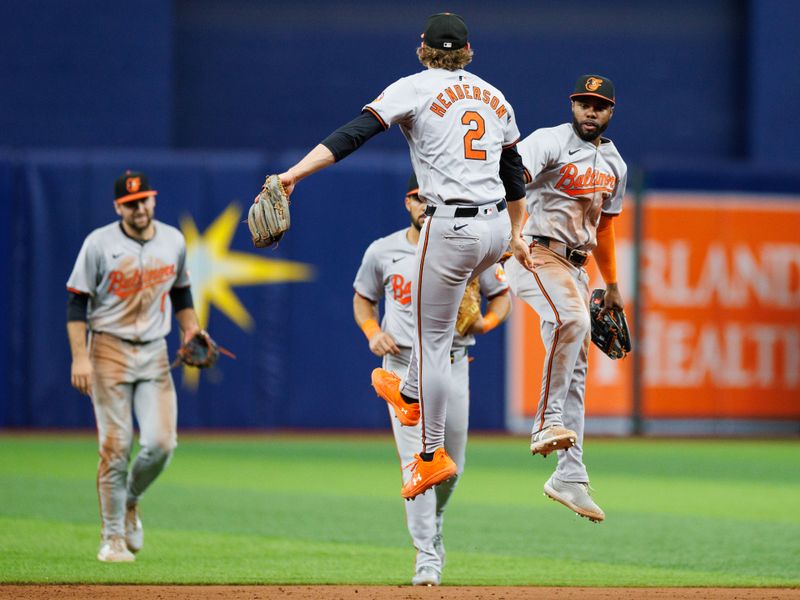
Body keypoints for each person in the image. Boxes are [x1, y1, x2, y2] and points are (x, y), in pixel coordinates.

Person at [267, 12, 531, 500]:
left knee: (431, 339)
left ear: (421, 49)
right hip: (495, 227)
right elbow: (514, 171)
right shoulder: (495, 96)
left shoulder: (414, 86)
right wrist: (517, 233)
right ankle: (409, 392)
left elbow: (353, 134)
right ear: (469, 53)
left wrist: (293, 176)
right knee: (441, 317)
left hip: (451, 224)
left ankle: (428, 456)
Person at [353, 174, 511, 586]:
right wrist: (373, 333)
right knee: (417, 462)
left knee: (451, 466)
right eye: (417, 198)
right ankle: (426, 556)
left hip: (452, 365)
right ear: (408, 203)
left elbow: (503, 295)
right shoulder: (382, 251)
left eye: (429, 198)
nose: (424, 205)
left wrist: (487, 323)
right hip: (402, 365)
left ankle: (435, 520)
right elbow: (363, 298)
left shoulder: (466, 250)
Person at [504, 75, 628, 523]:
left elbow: (607, 226)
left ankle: (569, 477)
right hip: (534, 251)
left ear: (611, 111)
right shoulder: (549, 141)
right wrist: (510, 232)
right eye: (583, 103)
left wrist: (612, 283)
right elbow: (513, 177)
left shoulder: (615, 163)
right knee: (572, 321)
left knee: (577, 370)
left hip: (577, 266)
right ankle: (545, 421)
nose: (590, 111)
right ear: (572, 104)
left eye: (599, 105)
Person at [66, 171, 201, 561]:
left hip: (154, 352)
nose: (138, 208)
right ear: (118, 207)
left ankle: (130, 500)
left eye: (143, 200)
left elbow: (181, 291)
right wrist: (79, 356)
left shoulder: (172, 240)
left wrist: (190, 331)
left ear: (153, 200)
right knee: (116, 446)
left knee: (161, 444)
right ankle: (111, 538)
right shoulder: (99, 244)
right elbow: (77, 303)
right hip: (107, 349)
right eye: (130, 203)